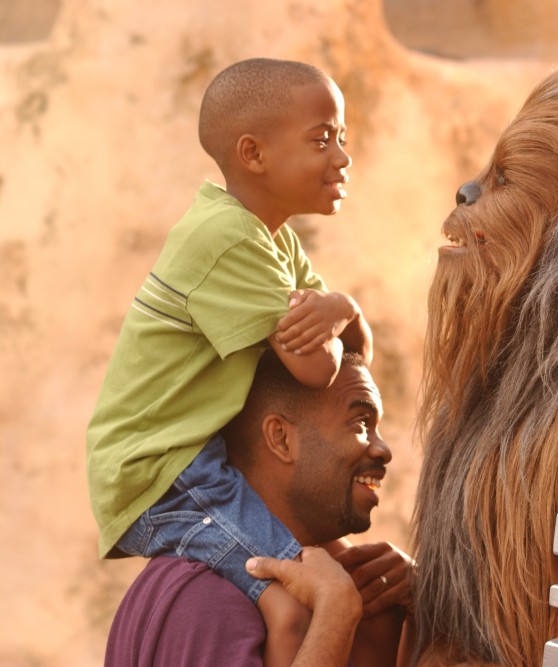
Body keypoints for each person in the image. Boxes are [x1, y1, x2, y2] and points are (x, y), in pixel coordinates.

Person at [87, 57, 372, 666]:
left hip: (192, 460)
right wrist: (341, 305)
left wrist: (340, 311)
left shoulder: (275, 240)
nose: (342, 157)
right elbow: (318, 372)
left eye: (343, 139)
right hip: (166, 471)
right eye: (322, 139)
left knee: (330, 566)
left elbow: (350, 354)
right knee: (296, 605)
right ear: (254, 154)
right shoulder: (225, 240)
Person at [105, 352, 414, 666]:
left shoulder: (347, 589)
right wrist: (335, 613)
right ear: (280, 438)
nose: (383, 449)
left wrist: (424, 606)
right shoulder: (206, 599)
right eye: (360, 423)